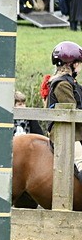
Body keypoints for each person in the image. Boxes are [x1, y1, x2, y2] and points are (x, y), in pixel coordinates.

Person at [44, 41, 82, 169]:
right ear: (73, 64)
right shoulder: (62, 85)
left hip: (75, 130)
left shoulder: (72, 83)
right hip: (66, 132)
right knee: (81, 162)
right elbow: (72, 110)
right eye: (80, 63)